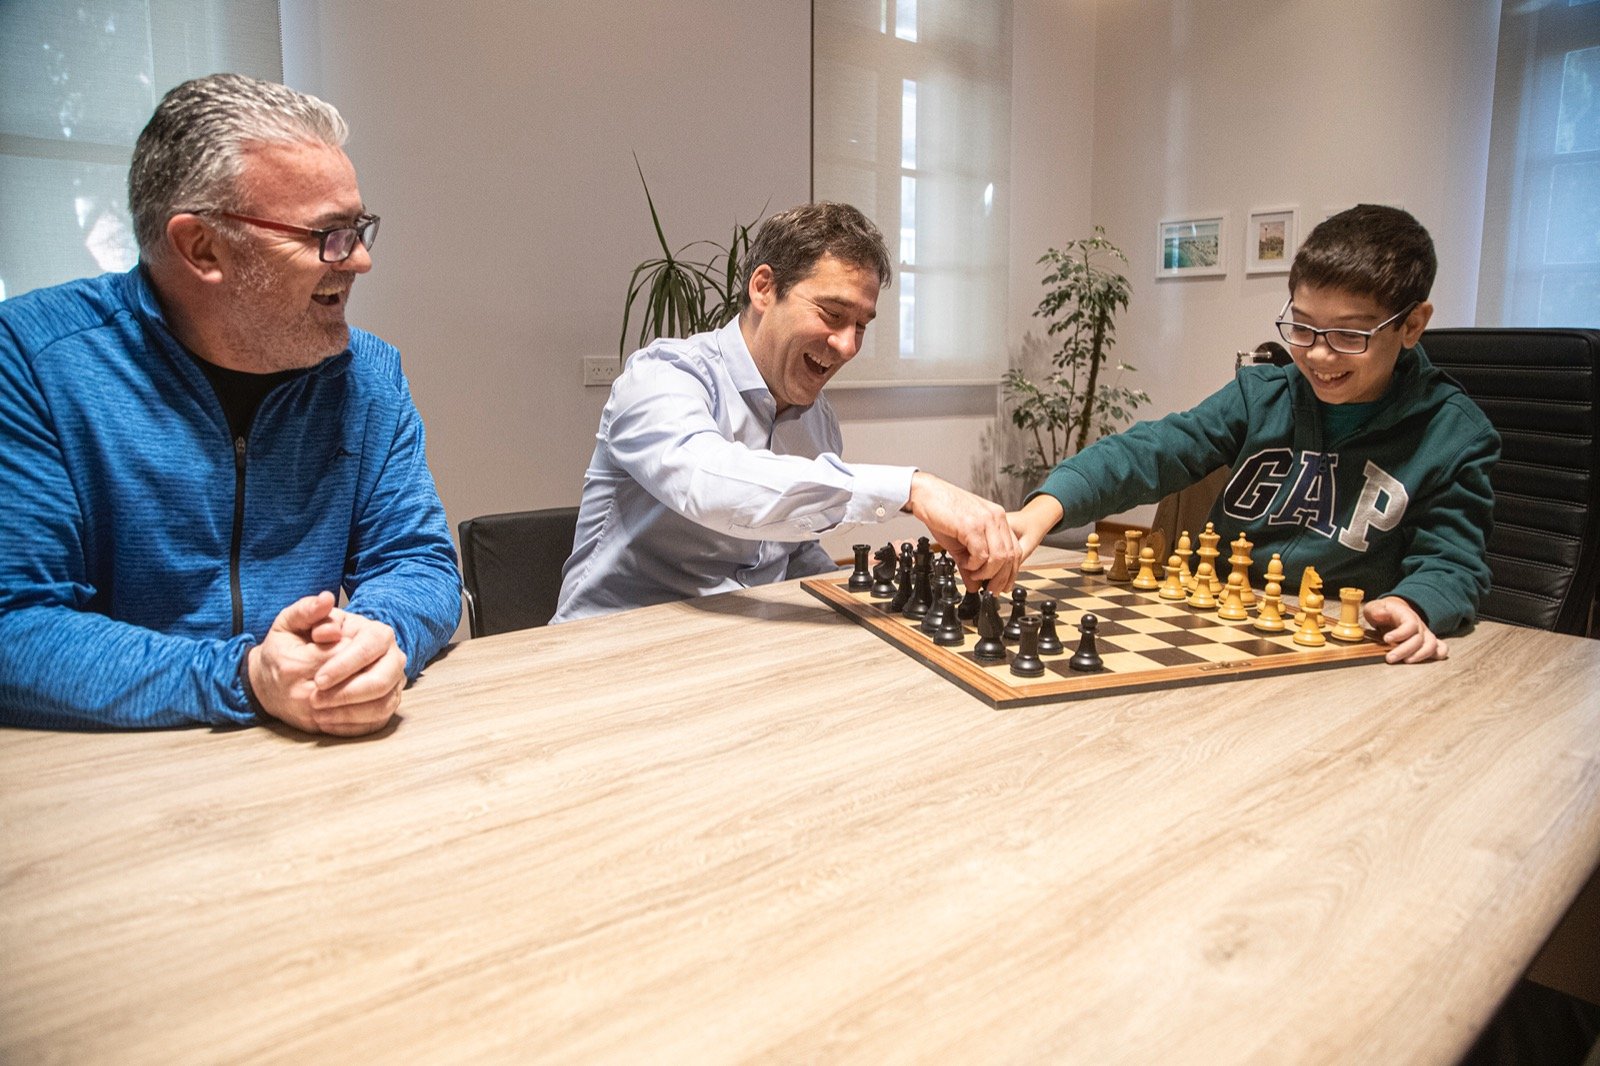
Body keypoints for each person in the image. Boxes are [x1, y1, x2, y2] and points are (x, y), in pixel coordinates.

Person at [0, 73, 460, 734]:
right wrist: (246, 678)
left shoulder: (371, 375)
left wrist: (374, 640)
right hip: (114, 775)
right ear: (202, 248)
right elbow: (13, 624)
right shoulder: (33, 362)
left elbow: (417, 562)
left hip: (318, 754)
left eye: (359, 229)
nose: (358, 260)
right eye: (327, 235)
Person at [1009, 204, 1498, 663]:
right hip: (1219, 624)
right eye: (1302, 328)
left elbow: (1454, 563)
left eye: (1350, 335)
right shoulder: (1261, 396)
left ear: (1412, 324)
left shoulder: (1454, 434)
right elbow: (1155, 449)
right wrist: (1049, 505)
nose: (1319, 356)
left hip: (1338, 648)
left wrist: (1416, 603)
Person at [553, 202, 1020, 623]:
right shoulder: (662, 377)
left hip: (733, 647)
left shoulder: (817, 421)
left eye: (861, 325)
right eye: (833, 314)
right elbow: (710, 484)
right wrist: (912, 489)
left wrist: (871, 579)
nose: (849, 345)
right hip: (609, 645)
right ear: (763, 287)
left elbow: (784, 555)